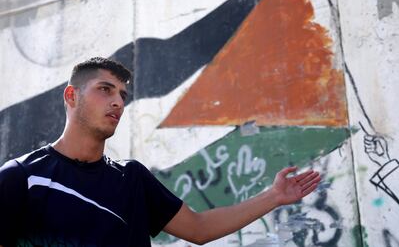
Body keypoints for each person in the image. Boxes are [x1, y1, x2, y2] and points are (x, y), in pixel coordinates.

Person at [0, 57, 321, 247]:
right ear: (72, 96)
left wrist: (274, 197)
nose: (118, 102)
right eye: (105, 90)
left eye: (122, 95)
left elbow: (199, 229)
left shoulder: (132, 177)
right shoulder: (22, 177)